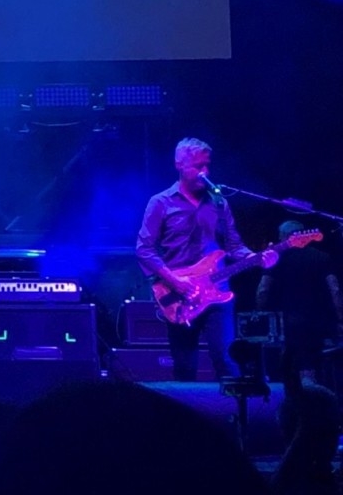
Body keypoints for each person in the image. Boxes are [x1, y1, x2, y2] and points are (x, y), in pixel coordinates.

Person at [136, 137, 275, 381]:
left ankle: (233, 406)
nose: (205, 172)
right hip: (179, 294)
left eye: (207, 165)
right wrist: (175, 281)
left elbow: (234, 245)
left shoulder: (219, 202)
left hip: (218, 290)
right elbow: (144, 249)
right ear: (179, 164)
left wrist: (256, 257)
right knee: (185, 366)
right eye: (198, 166)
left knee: (226, 359)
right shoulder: (161, 202)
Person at [257, 219, 343, 387]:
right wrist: (340, 317)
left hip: (287, 322)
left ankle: (296, 394)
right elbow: (335, 289)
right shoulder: (322, 257)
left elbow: (263, 289)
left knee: (292, 362)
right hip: (321, 320)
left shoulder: (276, 260)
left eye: (280, 236)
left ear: (285, 236)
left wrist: (260, 313)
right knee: (316, 360)